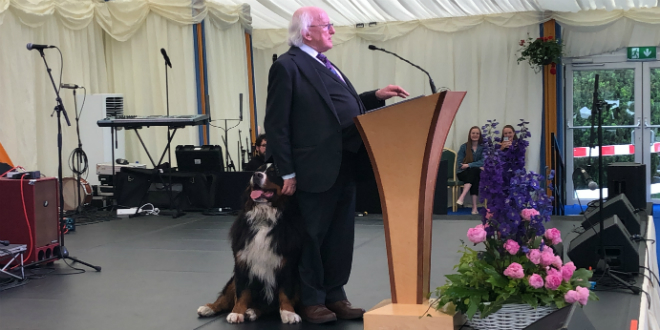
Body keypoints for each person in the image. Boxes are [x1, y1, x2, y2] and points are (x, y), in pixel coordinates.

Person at [264, 6, 409, 324]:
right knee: (312, 237)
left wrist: (375, 96)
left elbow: (341, 108)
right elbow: (276, 125)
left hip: (346, 162)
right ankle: (312, 299)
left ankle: (335, 295)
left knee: (340, 237)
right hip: (312, 167)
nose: (332, 29)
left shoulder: (325, 65)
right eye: (326, 25)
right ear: (306, 32)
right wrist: (286, 170)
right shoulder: (288, 67)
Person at [456, 126, 484, 215]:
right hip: (462, 173)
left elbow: (484, 161)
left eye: (477, 133)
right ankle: (474, 207)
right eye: (473, 133)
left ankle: (462, 197)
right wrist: (477, 166)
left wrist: (469, 165)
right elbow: (459, 163)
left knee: (475, 173)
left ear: (480, 135)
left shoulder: (483, 148)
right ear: (470, 134)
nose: (475, 135)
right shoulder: (464, 147)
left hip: (473, 173)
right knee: (475, 172)